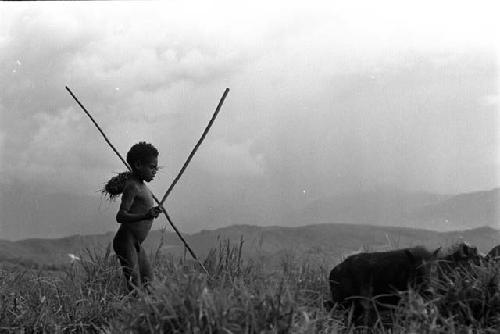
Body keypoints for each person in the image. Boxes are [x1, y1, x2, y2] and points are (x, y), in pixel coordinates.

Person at [111, 141, 163, 291]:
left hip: (136, 243)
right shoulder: (132, 186)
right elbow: (120, 216)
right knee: (135, 286)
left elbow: (142, 210)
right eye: (152, 167)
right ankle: (134, 312)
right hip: (126, 241)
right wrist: (145, 215)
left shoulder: (142, 186)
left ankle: (147, 313)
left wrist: (152, 212)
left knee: (150, 284)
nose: (155, 171)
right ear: (139, 165)